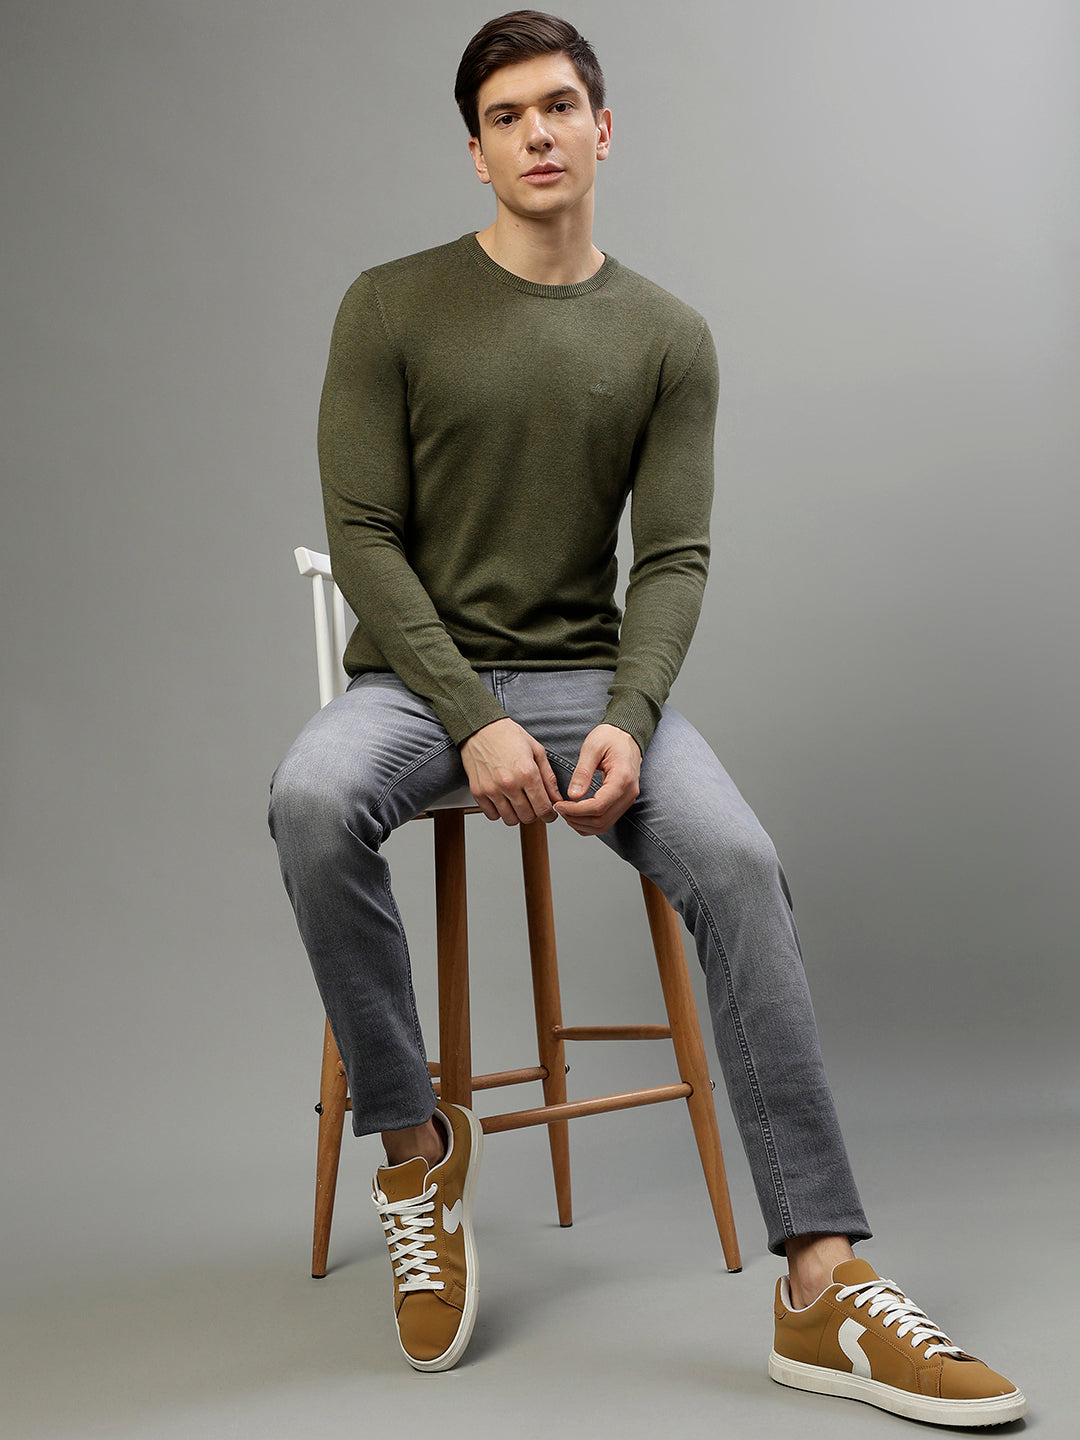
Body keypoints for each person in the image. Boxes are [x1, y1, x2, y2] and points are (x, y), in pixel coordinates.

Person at [269, 10, 1025, 1425]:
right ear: (477, 152)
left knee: (738, 861)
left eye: (559, 106)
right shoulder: (390, 305)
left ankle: (821, 1282)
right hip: (416, 687)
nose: (537, 134)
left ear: (602, 129)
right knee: (310, 801)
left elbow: (671, 559)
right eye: (506, 117)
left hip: (587, 686)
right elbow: (362, 536)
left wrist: (632, 710)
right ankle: (416, 1151)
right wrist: (470, 715)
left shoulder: (670, 336)